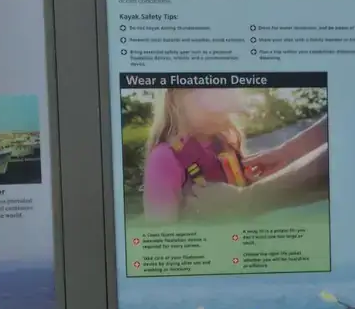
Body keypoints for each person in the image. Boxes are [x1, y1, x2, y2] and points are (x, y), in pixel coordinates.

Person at [141, 87, 329, 223]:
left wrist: (249, 192)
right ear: (176, 99)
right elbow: (161, 232)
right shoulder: (165, 158)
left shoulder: (227, 146)